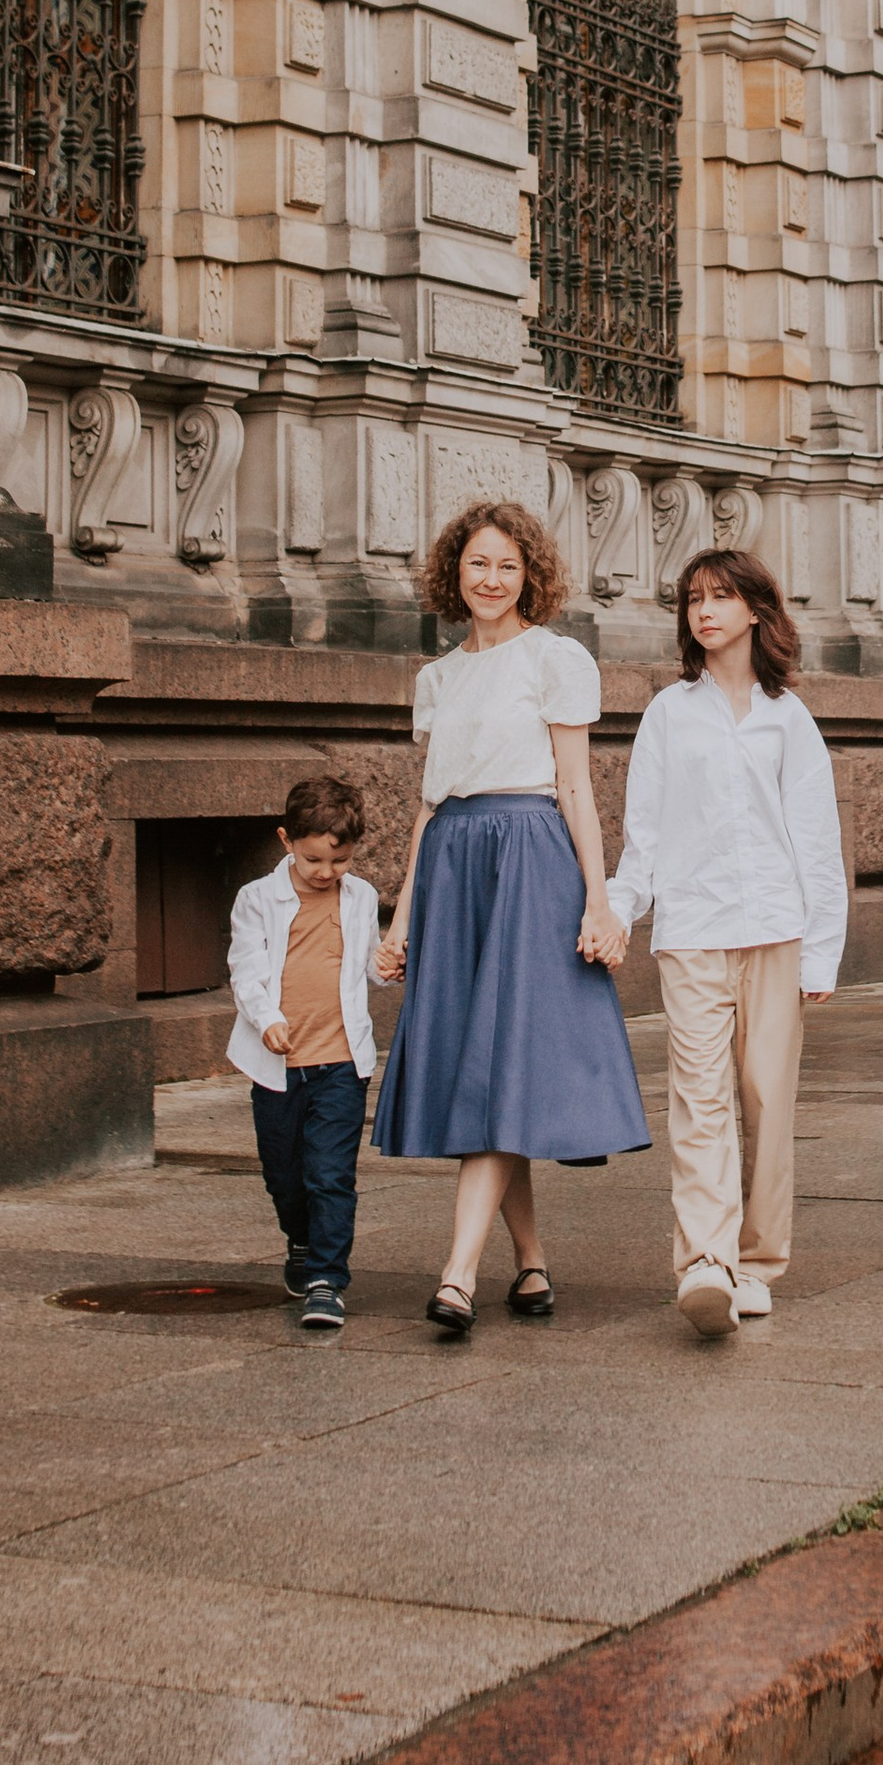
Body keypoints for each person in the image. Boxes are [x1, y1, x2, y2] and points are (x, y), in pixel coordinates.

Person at [370, 500, 647, 1335]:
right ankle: (529, 1260)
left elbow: (576, 789)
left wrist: (599, 900)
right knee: (483, 1071)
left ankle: (457, 1275)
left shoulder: (555, 659)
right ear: (453, 572)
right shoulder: (437, 677)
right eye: (477, 564)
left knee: (499, 1063)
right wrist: (400, 919)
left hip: (528, 860)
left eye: (507, 566)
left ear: (530, 576)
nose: (490, 580)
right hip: (454, 865)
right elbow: (429, 806)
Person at [607, 545, 847, 1340]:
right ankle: (705, 1262)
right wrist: (617, 911)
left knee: (766, 1102)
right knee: (700, 1099)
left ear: (754, 610)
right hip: (693, 932)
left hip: (776, 930)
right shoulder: (669, 712)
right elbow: (643, 835)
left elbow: (816, 842)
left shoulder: (789, 718)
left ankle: (757, 1264)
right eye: (693, 599)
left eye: (720, 597)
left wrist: (821, 951)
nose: (704, 611)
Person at [226, 771, 381, 1336]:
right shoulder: (256, 899)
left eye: (339, 861)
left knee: (330, 1174)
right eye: (314, 859)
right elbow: (245, 970)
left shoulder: (361, 897)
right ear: (285, 840)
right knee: (285, 1177)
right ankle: (300, 1237)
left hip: (341, 1064)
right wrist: (267, 1019)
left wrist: (391, 965)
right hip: (277, 1068)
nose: (326, 872)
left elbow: (370, 967)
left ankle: (326, 1280)